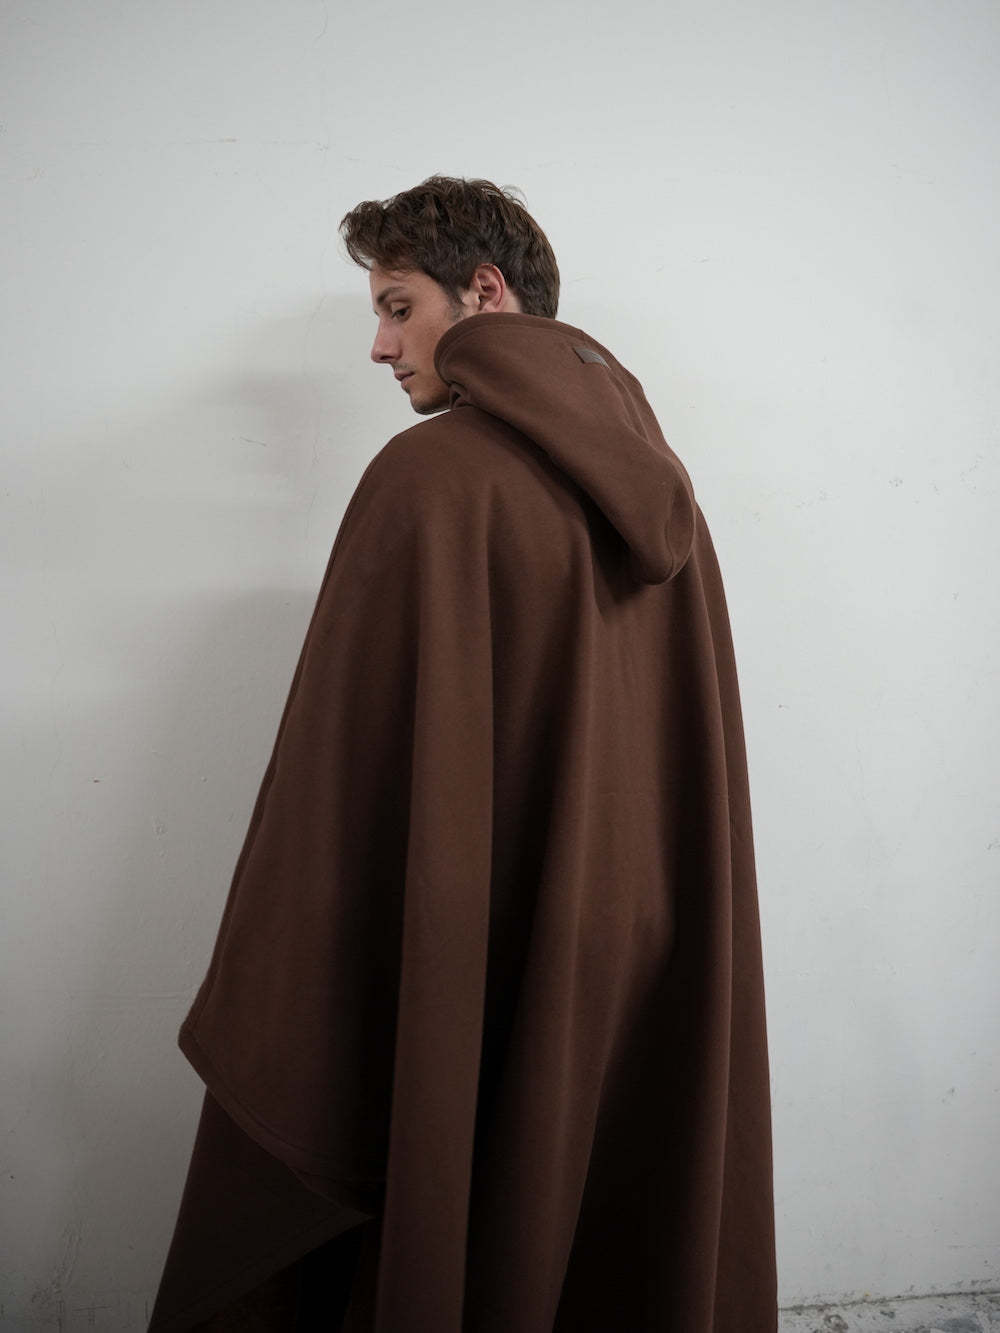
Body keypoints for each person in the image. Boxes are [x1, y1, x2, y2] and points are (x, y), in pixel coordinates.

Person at [148, 174, 777, 1332]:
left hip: (473, 932)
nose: (380, 347)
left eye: (398, 308)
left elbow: (336, 799)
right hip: (638, 945)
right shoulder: (664, 495)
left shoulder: (429, 480)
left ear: (483, 292)